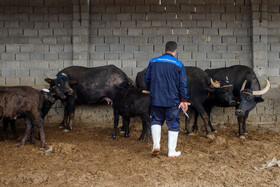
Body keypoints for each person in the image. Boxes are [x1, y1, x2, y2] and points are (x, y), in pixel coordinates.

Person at [145, 41, 188, 157]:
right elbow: (182, 84)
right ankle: (171, 151)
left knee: (156, 120)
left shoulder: (153, 61)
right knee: (173, 123)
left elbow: (147, 79)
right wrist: (183, 100)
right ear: (175, 51)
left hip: (156, 98)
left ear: (164, 50)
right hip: (173, 100)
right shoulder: (179, 64)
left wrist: (152, 90)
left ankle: (156, 145)